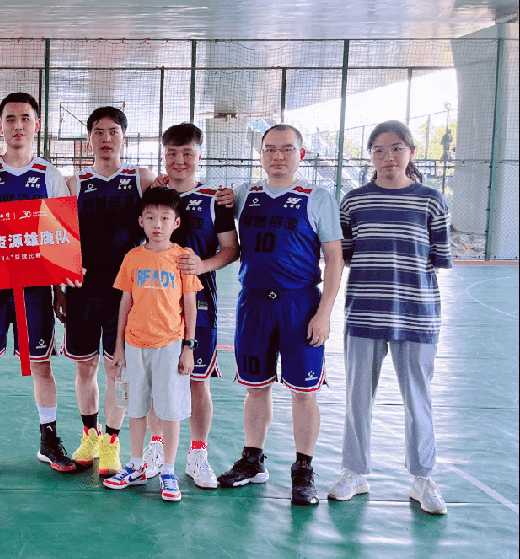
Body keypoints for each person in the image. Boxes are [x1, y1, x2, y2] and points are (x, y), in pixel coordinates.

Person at [329, 120, 452, 515]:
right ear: (370, 156)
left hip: (416, 316)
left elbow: (439, 257)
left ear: (410, 153)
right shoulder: (354, 202)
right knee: (357, 397)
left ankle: (423, 479)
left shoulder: (431, 201)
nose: (388, 157)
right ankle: (354, 472)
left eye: (397, 148)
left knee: (418, 398)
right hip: (364, 313)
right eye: (379, 150)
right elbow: (346, 255)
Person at [217, 124, 344, 507]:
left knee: (304, 392)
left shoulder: (317, 197)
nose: (278, 156)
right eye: (270, 149)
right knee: (256, 387)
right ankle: (252, 460)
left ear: (300, 154)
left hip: (299, 304)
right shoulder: (244, 194)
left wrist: (324, 313)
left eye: (287, 149)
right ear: (260, 154)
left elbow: (334, 259)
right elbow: (208, 208)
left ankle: (303, 469)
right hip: (254, 303)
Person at [0, 92, 78, 475]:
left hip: (34, 290)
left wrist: (60, 290)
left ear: (37, 125)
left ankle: (49, 439)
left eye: (25, 118)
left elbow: (60, 236)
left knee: (42, 366)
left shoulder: (49, 175)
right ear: (0, 125)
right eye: (10, 118)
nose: (18, 125)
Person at [60, 106, 156, 476]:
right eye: (98, 132)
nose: (106, 138)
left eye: (113, 131)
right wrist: (60, 288)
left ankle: (111, 442)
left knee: (119, 367)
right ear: (88, 139)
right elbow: (59, 239)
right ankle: (90, 435)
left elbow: (166, 218)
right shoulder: (74, 183)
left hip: (127, 293)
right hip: (83, 290)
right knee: (85, 366)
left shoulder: (141, 179)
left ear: (123, 137)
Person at [145, 123, 239, 489]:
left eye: (187, 153)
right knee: (156, 380)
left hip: (199, 303)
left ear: (199, 155)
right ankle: (156, 448)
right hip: (155, 302)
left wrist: (203, 265)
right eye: (172, 153)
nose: (179, 160)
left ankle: (197, 454)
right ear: (164, 155)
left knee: (197, 381)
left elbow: (230, 250)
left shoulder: (216, 200)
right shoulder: (154, 195)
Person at [104, 187, 202, 502]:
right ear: (141, 221)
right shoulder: (133, 257)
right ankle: (135, 465)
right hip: (135, 345)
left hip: (170, 345)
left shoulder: (183, 258)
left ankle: (168, 471)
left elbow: (190, 305)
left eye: (164, 218)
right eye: (150, 217)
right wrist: (119, 346)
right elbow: (125, 303)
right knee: (136, 407)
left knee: (170, 410)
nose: (157, 224)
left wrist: (188, 346)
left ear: (176, 222)